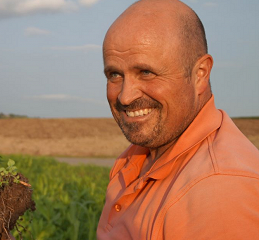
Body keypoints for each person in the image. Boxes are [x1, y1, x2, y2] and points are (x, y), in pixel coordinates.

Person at [97, 0, 259, 239]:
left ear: (200, 74)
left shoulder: (218, 192)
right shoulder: (145, 153)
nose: (125, 96)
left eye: (146, 72)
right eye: (115, 74)